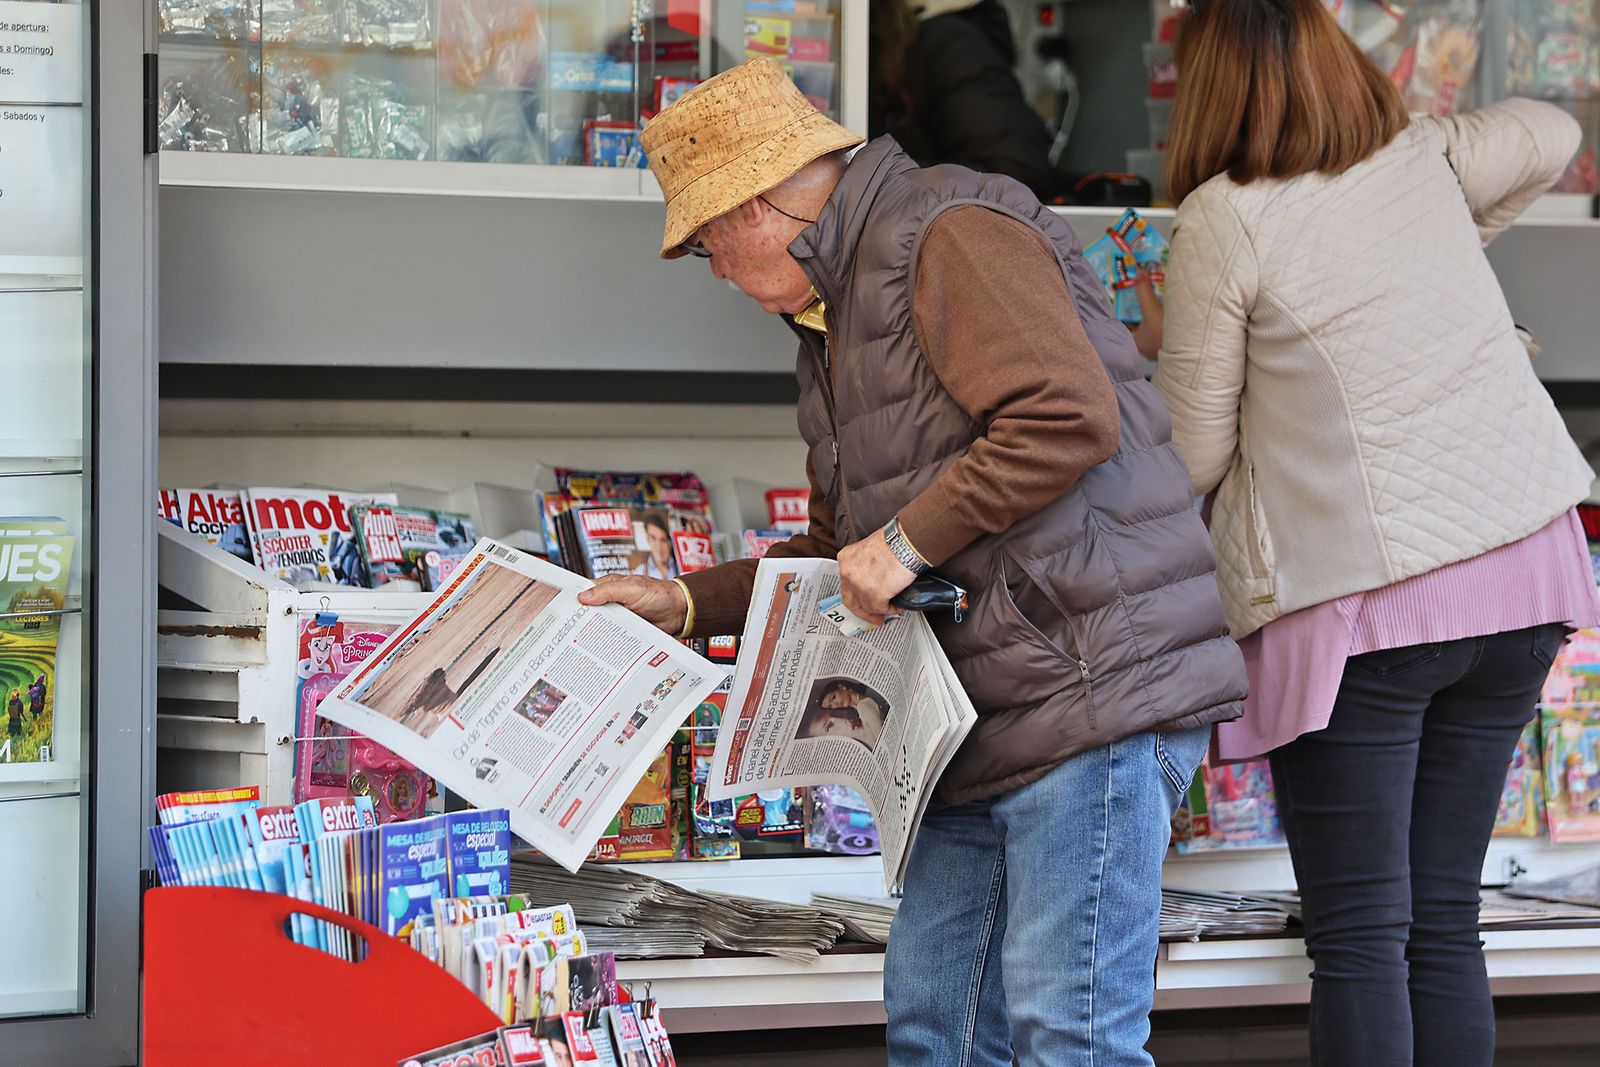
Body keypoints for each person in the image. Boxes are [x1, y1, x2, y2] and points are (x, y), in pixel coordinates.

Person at [580, 57, 1247, 1065]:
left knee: (1069, 1036)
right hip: (971, 722)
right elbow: (841, 547)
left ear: (758, 207)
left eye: (708, 244)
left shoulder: (946, 231)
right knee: (935, 1029)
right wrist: (682, 599)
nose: (714, 270)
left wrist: (903, 542)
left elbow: (1065, 415)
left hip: (1086, 690)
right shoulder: (834, 315)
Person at [1143, 3, 1599, 1064]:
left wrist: (1154, 345)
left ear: (1205, 86)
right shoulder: (1417, 159)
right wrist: (1440, 240)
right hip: (1524, 575)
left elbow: (1192, 456)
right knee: (1442, 916)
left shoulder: (1225, 214)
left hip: (1375, 600)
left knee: (1357, 937)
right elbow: (1554, 132)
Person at [869, 0, 1058, 200]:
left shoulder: (949, 45)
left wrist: (882, 180)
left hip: (963, 223)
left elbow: (1015, 176)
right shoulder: (886, 50)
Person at [798, 680, 887, 748]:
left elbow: (883, 741)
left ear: (842, 687)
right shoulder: (859, 710)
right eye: (830, 706)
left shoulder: (865, 704)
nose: (835, 704)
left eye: (833, 697)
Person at [631, 512, 679, 580]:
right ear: (648, 540)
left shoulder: (679, 568)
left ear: (669, 543)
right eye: (653, 538)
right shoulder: (639, 572)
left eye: (663, 540)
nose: (658, 546)